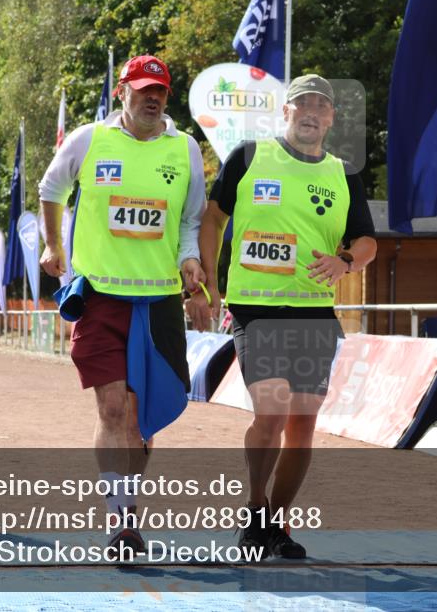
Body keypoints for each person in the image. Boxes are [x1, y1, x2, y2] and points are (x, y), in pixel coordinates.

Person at [189, 74, 377, 560]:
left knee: (302, 426)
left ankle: (277, 525)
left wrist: (346, 262)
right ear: (286, 112)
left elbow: (366, 241)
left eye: (321, 105)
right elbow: (213, 217)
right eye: (302, 105)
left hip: (315, 313)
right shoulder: (251, 157)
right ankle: (254, 510)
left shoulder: (344, 174)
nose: (312, 112)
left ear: (332, 117)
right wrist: (210, 279)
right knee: (269, 414)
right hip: (256, 309)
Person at [37, 55, 206, 555]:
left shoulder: (185, 149)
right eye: (143, 89)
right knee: (113, 408)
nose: (152, 98)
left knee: (141, 421)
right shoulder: (90, 140)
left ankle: (127, 500)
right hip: (100, 299)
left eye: (161, 91)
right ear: (122, 93)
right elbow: (51, 189)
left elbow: (190, 220)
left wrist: (190, 260)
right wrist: (53, 246)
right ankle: (121, 520)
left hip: (157, 304)